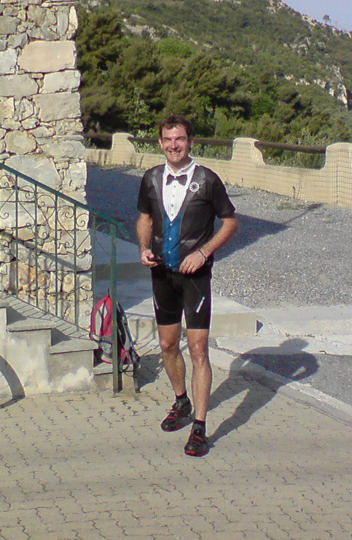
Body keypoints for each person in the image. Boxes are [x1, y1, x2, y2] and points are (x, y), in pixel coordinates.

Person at [136, 115, 237, 456]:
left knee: (197, 349)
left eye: (179, 139)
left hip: (196, 276)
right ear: (160, 143)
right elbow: (145, 218)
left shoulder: (207, 180)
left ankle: (200, 427)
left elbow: (230, 222)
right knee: (167, 344)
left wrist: (204, 252)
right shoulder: (151, 179)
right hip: (162, 273)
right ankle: (181, 401)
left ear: (190, 141)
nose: (174, 145)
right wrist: (143, 247)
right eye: (168, 139)